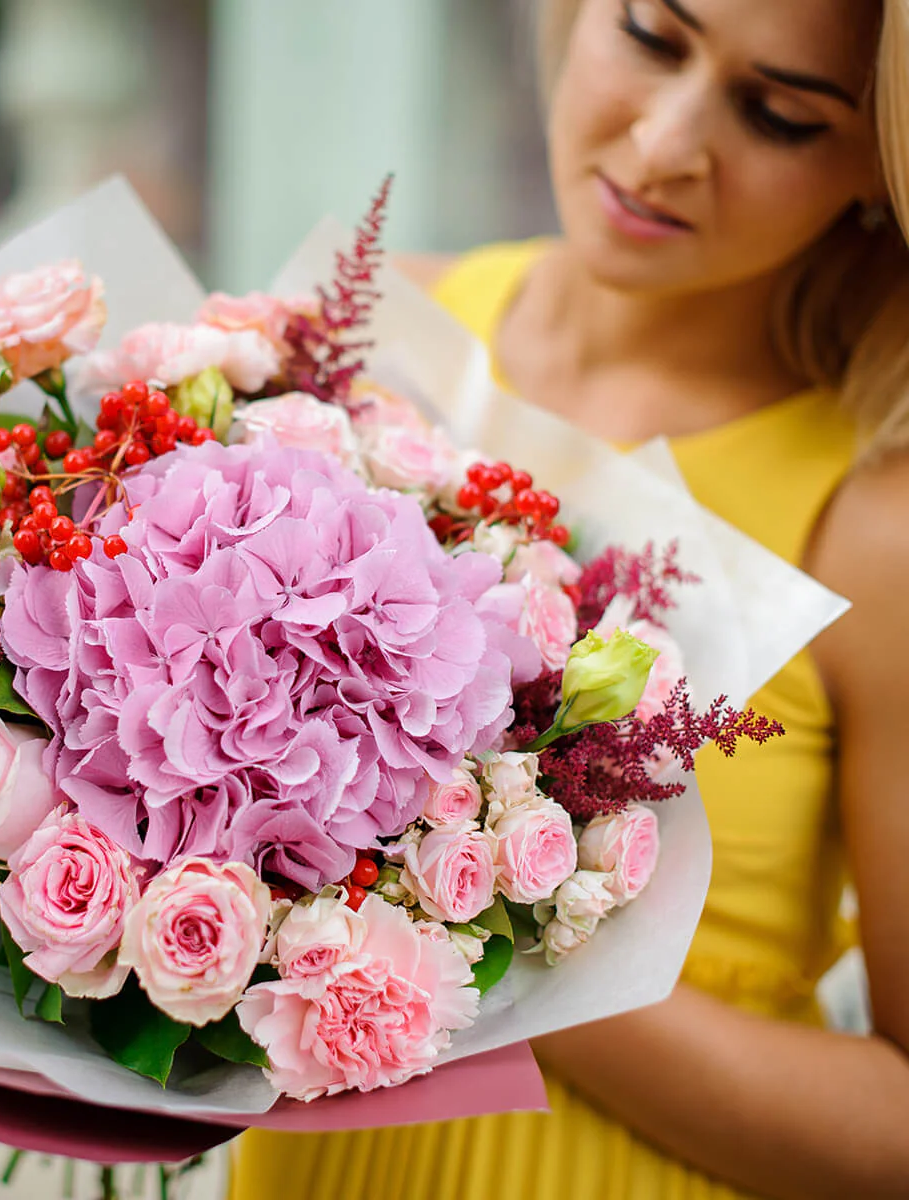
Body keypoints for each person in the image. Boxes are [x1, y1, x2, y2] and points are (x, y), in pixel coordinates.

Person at [229, 1, 909, 1196]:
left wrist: (487, 921)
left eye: (779, 115)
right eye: (650, 35)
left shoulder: (871, 519)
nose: (660, 148)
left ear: (879, 160)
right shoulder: (368, 341)